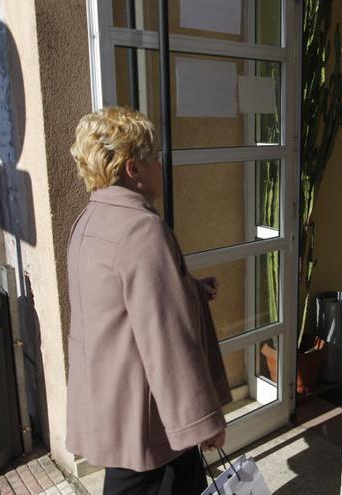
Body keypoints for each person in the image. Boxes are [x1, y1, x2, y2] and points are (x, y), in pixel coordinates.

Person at [67, 107, 232, 495]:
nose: (161, 165)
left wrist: (187, 288)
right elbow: (167, 341)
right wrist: (203, 423)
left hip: (115, 407)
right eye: (153, 157)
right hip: (152, 420)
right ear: (132, 169)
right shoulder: (142, 230)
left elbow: (118, 302)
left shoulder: (89, 221)